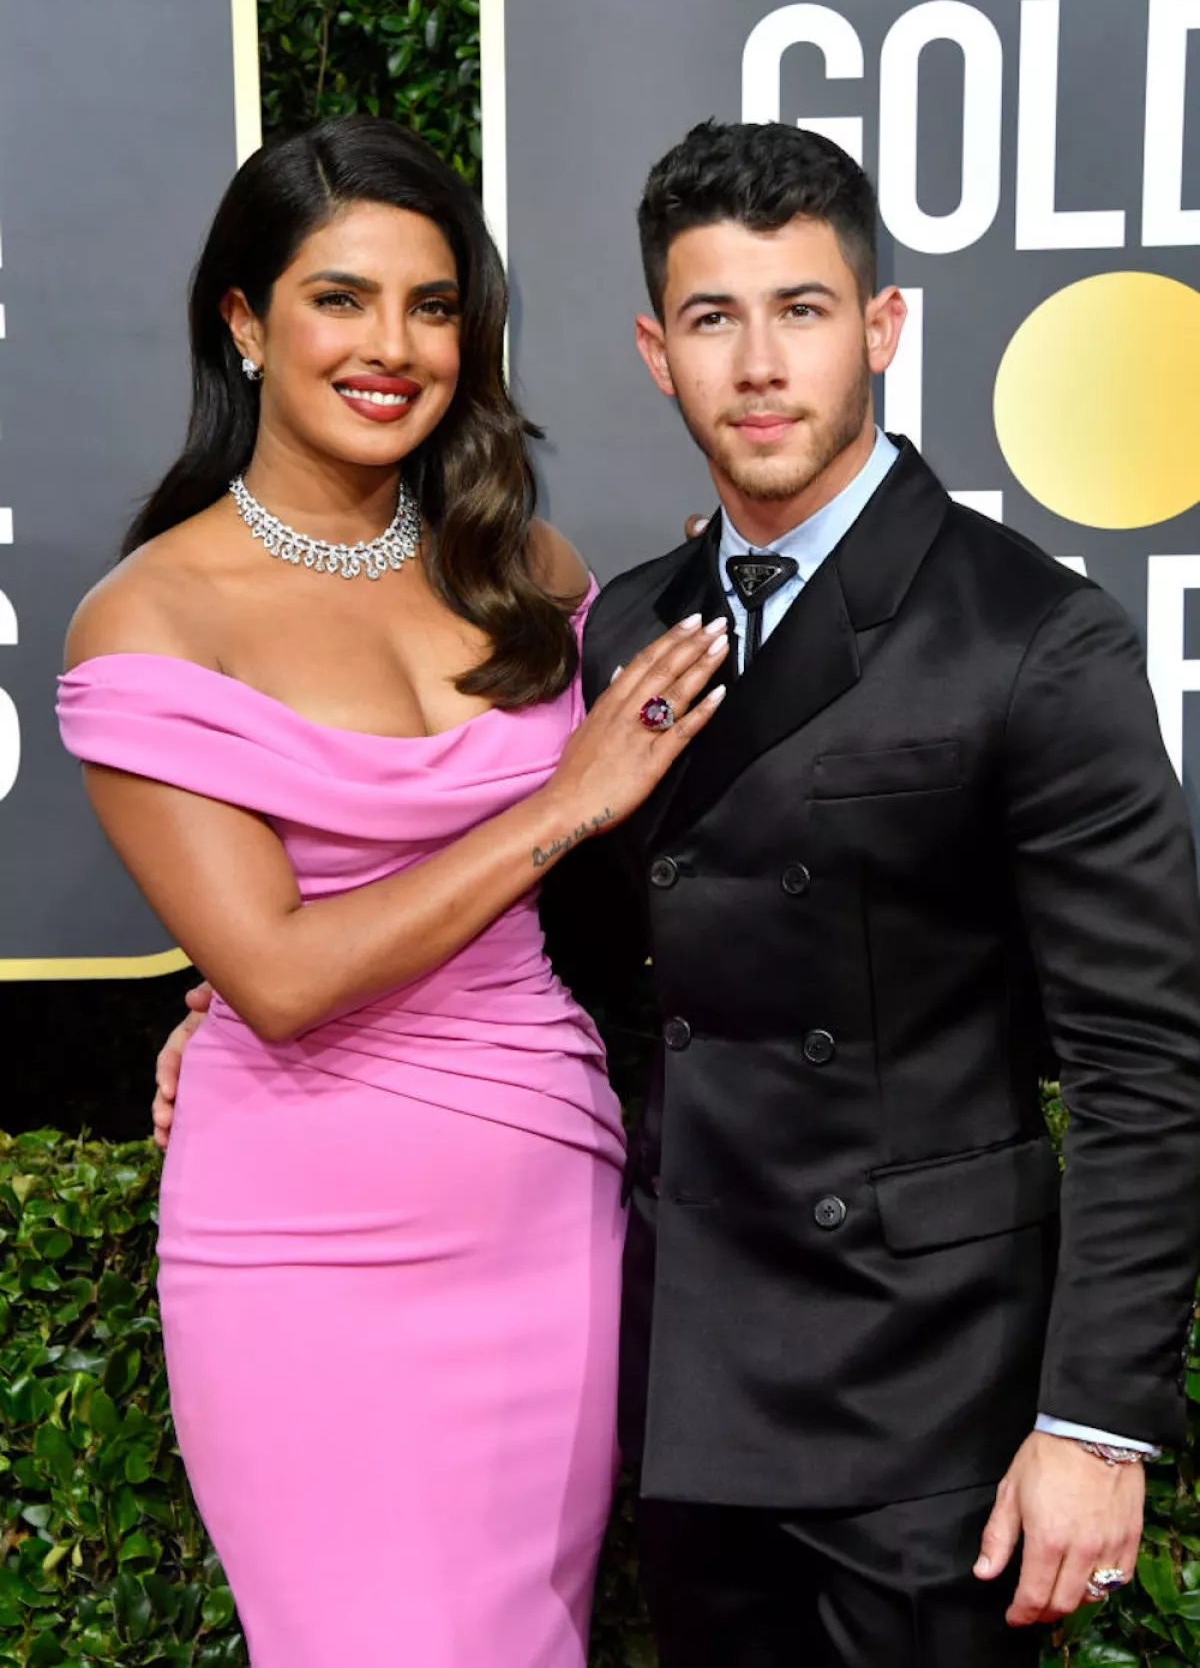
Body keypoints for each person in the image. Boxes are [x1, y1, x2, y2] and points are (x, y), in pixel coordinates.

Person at [152, 120, 1200, 1666]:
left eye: (802, 311)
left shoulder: (1033, 636)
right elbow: (562, 945)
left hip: (934, 1408)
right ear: (657, 353)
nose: (759, 366)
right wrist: (234, 998)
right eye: (714, 318)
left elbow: (1144, 1062)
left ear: (882, 328)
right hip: (690, 1389)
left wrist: (1097, 1423)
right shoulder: (622, 623)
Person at [57, 116, 727, 1668]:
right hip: (302, 1237)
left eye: (431, 306)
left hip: (542, 1196)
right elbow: (283, 977)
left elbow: (646, 840)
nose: (392, 347)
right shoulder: (151, 617)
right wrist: (560, 804)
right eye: (340, 299)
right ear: (244, 322)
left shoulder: (525, 568)